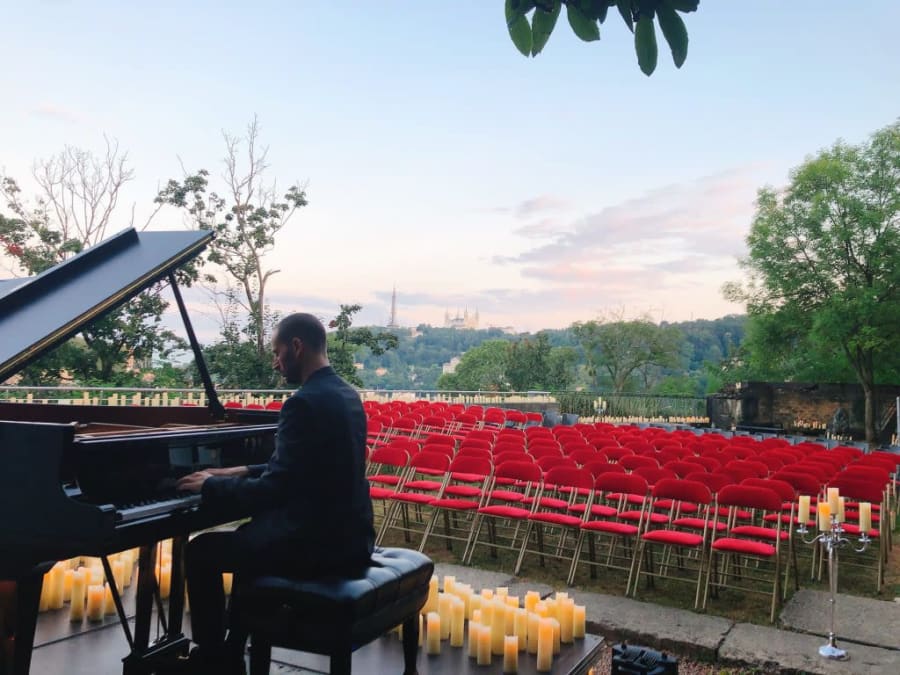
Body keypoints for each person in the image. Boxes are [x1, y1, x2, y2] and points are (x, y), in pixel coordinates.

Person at [173, 312, 375, 673]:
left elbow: (275, 489)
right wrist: (240, 470)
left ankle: (215, 660)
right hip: (350, 537)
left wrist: (212, 484)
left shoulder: (302, 402)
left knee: (202, 550)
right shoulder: (346, 395)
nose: (276, 361)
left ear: (296, 347)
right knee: (249, 538)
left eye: (277, 351)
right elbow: (303, 471)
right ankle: (233, 647)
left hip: (314, 545)